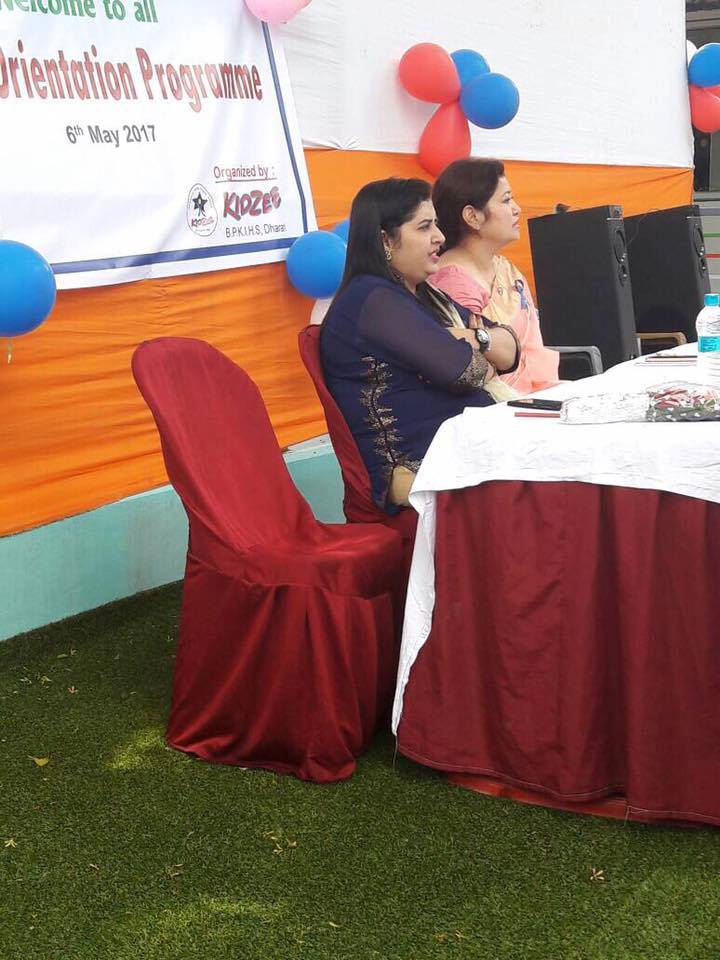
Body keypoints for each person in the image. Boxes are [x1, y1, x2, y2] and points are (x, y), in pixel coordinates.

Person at [320, 177, 520, 513]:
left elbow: (511, 349)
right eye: (425, 227)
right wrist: (479, 347)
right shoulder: (373, 299)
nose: (440, 237)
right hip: (416, 470)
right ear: (385, 240)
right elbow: (466, 371)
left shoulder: (425, 295)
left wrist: (473, 338)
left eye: (436, 225)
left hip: (460, 449)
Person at [431, 159, 559, 395]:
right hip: (499, 404)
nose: (517, 209)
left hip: (541, 392)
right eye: (506, 200)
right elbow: (474, 370)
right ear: (472, 216)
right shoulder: (451, 281)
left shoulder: (507, 269)